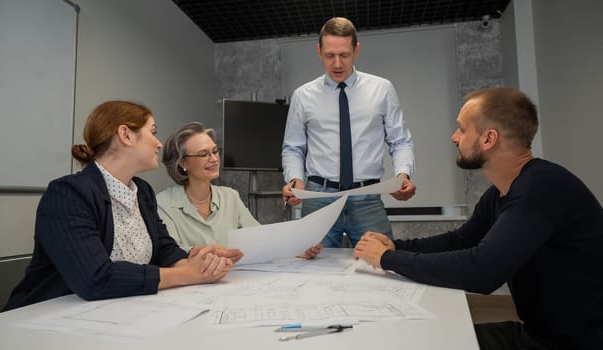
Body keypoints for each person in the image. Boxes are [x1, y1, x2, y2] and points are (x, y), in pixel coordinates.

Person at [354, 87, 603, 349]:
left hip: (576, 344)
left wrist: (386, 258)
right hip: (541, 335)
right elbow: (461, 240)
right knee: (425, 338)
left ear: (488, 139)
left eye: (461, 129)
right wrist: (397, 246)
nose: (454, 137)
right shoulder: (502, 192)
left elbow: (482, 272)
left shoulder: (541, 189)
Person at [4, 101, 233, 311]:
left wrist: (197, 264)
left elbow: (164, 248)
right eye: (152, 132)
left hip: (117, 312)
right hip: (45, 320)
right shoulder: (68, 195)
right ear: (126, 135)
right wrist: (187, 275)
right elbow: (96, 279)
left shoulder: (142, 191)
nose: (159, 143)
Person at [281, 17, 416, 248]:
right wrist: (295, 180)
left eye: (344, 55)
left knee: (382, 266)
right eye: (329, 55)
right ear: (319, 51)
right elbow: (293, 147)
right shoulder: (303, 96)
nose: (336, 64)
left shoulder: (382, 90)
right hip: (318, 198)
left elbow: (400, 140)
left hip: (367, 197)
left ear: (356, 50)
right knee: (312, 270)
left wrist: (403, 174)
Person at [157, 122, 323, 262]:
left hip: (231, 282)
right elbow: (170, 253)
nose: (214, 159)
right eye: (203, 154)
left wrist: (298, 250)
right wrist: (211, 253)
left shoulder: (230, 196)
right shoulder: (164, 203)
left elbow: (261, 238)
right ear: (182, 162)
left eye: (215, 151)